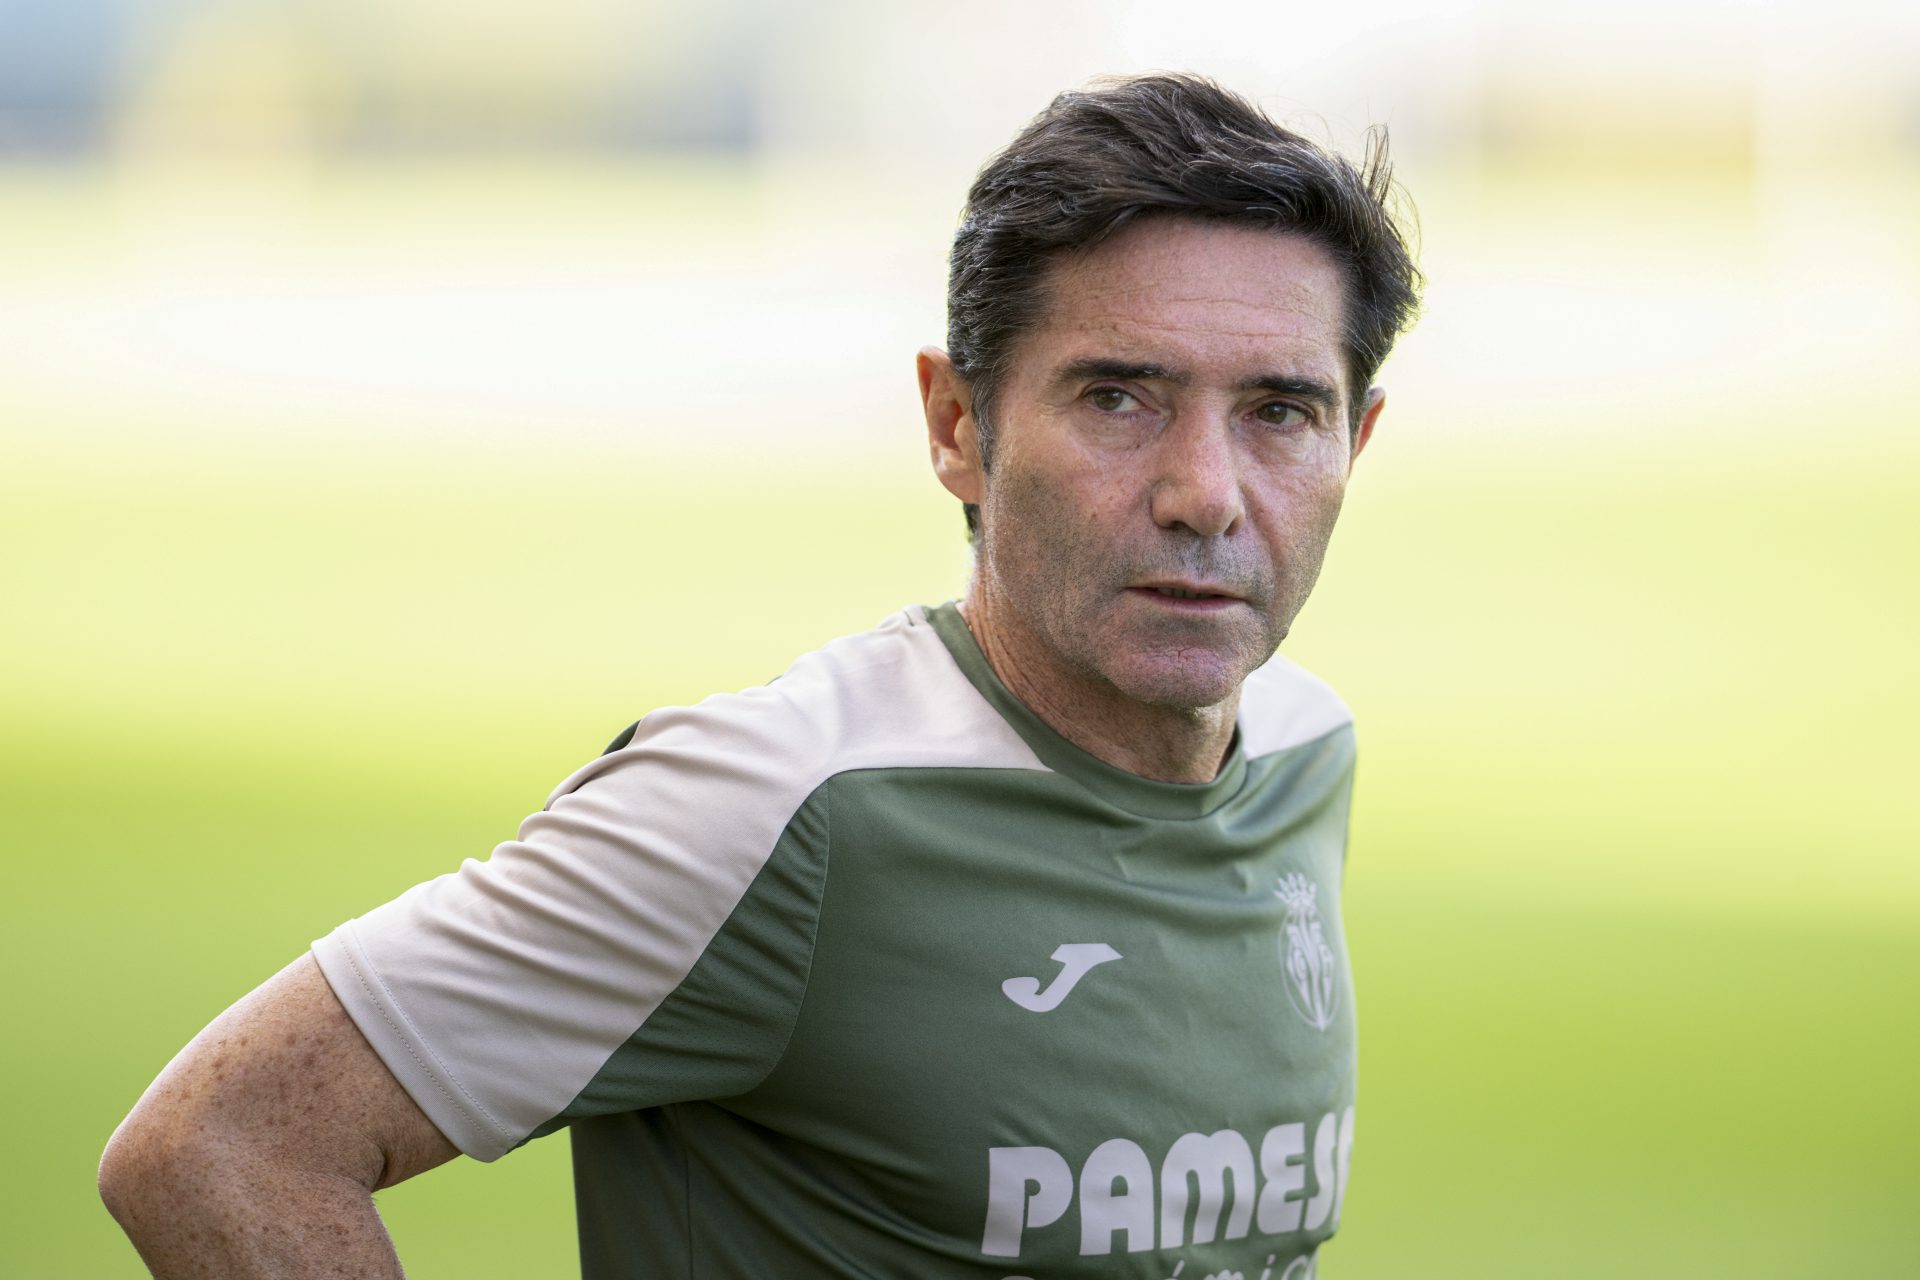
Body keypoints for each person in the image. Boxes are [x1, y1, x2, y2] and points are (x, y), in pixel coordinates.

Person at [99, 72, 1420, 1279]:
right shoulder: (784, 807)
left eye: (1279, 412)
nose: (1205, 493)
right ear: (959, 426)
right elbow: (219, 1147)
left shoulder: (1305, 753)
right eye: (1119, 399)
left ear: (1354, 443)